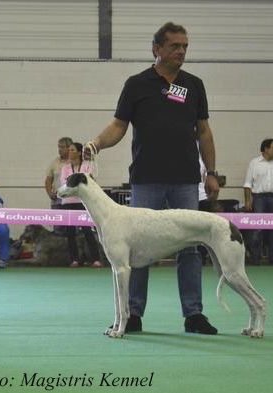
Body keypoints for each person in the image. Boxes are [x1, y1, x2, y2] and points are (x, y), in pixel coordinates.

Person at [83, 22, 220, 334]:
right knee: (133, 248)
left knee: (190, 248)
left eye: (185, 46)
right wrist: (96, 144)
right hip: (146, 178)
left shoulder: (194, 85)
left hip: (186, 179)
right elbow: (119, 126)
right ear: (156, 49)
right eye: (174, 46)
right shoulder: (137, 84)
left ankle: (194, 314)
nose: (181, 51)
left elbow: (204, 131)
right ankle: (132, 315)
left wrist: (211, 173)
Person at [60, 142, 102, 268]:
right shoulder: (65, 168)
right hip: (68, 203)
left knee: (87, 231)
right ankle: (74, 259)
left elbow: (89, 182)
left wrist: (77, 186)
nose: (69, 152)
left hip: (84, 203)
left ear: (79, 152)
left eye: (72, 150)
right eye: (69, 150)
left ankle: (96, 259)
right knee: (70, 233)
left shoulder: (88, 166)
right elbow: (65, 184)